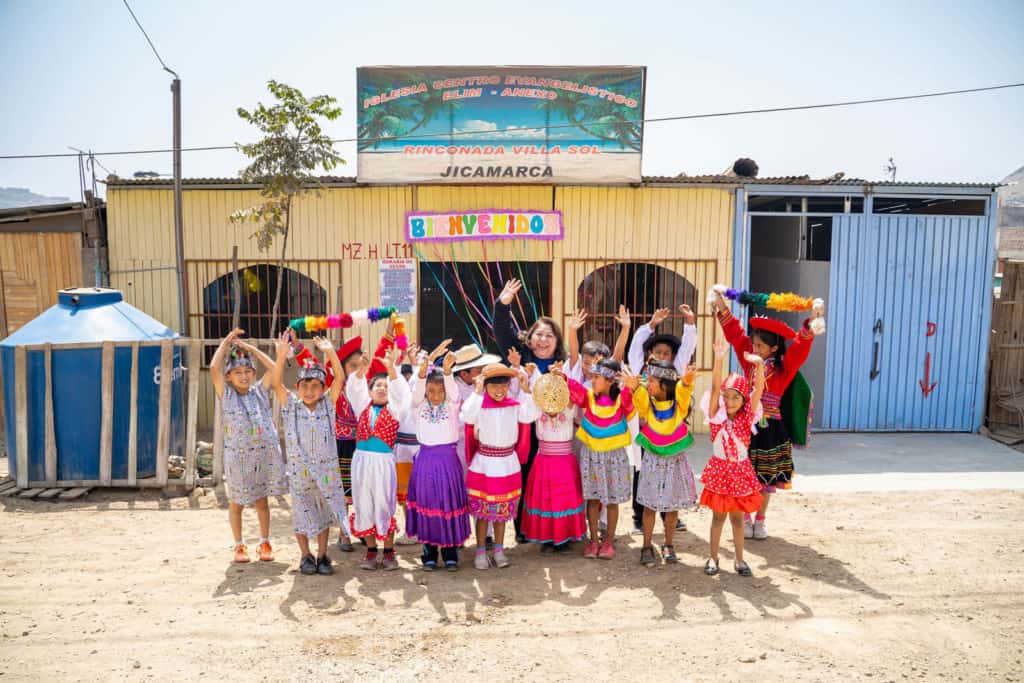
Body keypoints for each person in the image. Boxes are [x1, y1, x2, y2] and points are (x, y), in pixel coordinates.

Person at [712, 290, 825, 540]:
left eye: (760, 346)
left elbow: (800, 346)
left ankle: (760, 520)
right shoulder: (750, 362)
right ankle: (748, 517)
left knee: (766, 478)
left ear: (774, 348)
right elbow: (736, 337)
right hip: (746, 427)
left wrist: (810, 321)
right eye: (754, 344)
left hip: (771, 429)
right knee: (746, 475)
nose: (754, 348)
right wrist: (721, 307)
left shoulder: (785, 368)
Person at [292, 328, 396, 552]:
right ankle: (344, 533)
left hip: (360, 446)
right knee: (341, 490)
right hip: (337, 444)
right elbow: (313, 366)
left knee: (359, 490)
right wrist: (299, 348)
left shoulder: (365, 384)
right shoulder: (333, 382)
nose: (357, 369)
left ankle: (362, 528)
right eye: (352, 365)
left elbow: (378, 360)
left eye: (360, 364)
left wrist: (389, 334)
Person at [268, 333, 349, 576]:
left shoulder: (327, 405)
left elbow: (340, 379)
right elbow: (275, 383)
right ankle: (305, 555)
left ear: (323, 389)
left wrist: (331, 352)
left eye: (315, 386)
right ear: (297, 388)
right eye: (305, 386)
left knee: (323, 511)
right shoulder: (291, 405)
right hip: (300, 470)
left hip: (325, 471)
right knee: (302, 512)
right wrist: (281, 356)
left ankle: (323, 555)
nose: (310, 390)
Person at [493, 278, 567, 542]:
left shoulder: (564, 365)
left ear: (557, 341)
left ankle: (555, 527)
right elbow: (501, 329)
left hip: (558, 435)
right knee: (523, 475)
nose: (544, 339)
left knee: (555, 480)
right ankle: (523, 527)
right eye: (539, 334)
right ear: (530, 338)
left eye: (550, 335)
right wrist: (503, 304)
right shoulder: (521, 357)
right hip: (525, 430)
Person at [210, 329, 288, 564]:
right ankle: (239, 545)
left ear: (254, 374)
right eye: (237, 372)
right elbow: (214, 368)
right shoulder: (227, 395)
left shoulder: (260, 392)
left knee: (262, 501)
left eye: (247, 371)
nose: (243, 376)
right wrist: (226, 342)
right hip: (238, 460)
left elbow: (274, 369)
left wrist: (252, 349)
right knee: (237, 503)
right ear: (229, 377)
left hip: (263, 458)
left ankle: (264, 541)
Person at [626, 305, 698, 536]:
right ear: (649, 355)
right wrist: (651, 325)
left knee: (671, 475)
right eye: (657, 352)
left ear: (673, 358)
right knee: (642, 473)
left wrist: (689, 324)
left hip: (670, 435)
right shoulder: (641, 370)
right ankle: (639, 517)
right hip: (647, 434)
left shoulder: (674, 371)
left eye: (667, 353)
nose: (662, 356)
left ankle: (670, 516)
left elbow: (687, 349)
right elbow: (635, 346)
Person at [461, 363, 540, 570]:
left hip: (507, 464)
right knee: (483, 511)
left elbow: (531, 415)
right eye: (494, 386)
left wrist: (526, 390)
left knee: (502, 510)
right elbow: (467, 416)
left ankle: (498, 549)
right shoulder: (479, 406)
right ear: (485, 386)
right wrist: (477, 392)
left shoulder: (514, 406)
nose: (499, 391)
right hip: (484, 464)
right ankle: (480, 551)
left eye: (503, 386)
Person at [622, 359, 697, 566]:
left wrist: (687, 382)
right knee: (648, 506)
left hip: (674, 461)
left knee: (672, 507)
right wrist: (635, 386)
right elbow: (639, 398)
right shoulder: (648, 406)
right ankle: (646, 545)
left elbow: (683, 391)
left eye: (652, 381)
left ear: (665, 384)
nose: (648, 384)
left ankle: (668, 544)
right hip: (653, 460)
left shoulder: (679, 406)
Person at [700, 339, 766, 577]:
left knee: (738, 520)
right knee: (717, 518)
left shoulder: (747, 417)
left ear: (744, 401)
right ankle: (713, 557)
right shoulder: (715, 415)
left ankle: (739, 559)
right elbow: (716, 386)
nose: (729, 402)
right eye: (726, 397)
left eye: (735, 398)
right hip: (719, 471)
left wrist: (758, 366)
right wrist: (718, 358)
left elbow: (758, 390)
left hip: (740, 471)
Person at [405, 343, 471, 571]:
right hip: (425, 462)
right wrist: (424, 368)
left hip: (448, 462)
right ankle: (429, 552)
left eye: (439, 391)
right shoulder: (418, 405)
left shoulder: (452, 405)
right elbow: (416, 387)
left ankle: (450, 551)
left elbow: (453, 391)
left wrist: (447, 371)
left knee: (447, 504)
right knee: (428, 503)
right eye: (431, 391)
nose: (435, 395)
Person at [562, 359, 635, 560]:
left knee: (612, 501)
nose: (592, 381)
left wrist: (629, 388)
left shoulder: (621, 399)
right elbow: (574, 388)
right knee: (593, 499)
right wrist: (562, 376)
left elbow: (629, 407)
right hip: (592, 455)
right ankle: (593, 540)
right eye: (592, 377)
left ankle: (608, 542)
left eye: (596, 378)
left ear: (610, 381)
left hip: (614, 457)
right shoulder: (588, 397)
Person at [346, 347, 412, 571]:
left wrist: (391, 370)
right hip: (361, 462)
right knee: (364, 503)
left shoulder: (395, 410)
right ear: (370, 390)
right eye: (377, 385)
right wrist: (362, 370)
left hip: (384, 463)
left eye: (385, 386)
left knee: (384, 504)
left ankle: (390, 552)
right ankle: (371, 551)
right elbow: (354, 388)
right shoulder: (362, 407)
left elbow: (403, 395)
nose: (382, 388)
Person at [519, 367, 587, 552]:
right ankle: (547, 538)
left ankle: (565, 537)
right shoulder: (537, 408)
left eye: (555, 393)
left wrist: (563, 378)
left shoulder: (569, 407)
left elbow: (582, 395)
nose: (551, 398)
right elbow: (523, 415)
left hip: (564, 461)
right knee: (545, 498)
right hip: (544, 461)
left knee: (564, 499)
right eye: (547, 394)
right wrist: (526, 391)